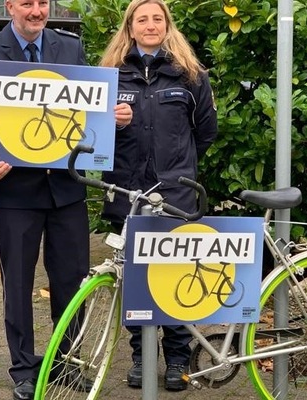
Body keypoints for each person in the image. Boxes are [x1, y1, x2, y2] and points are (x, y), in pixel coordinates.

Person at [0, 1, 132, 399]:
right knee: (18, 286)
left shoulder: (69, 47)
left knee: (71, 283)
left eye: (42, 3)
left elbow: (86, 109)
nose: (37, 11)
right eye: (27, 3)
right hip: (14, 194)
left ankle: (66, 364)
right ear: (10, 7)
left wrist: (112, 117)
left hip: (66, 191)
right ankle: (23, 369)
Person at [98, 0, 218, 392]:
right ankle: (142, 356)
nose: (150, 25)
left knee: (174, 278)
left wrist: (178, 167)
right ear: (130, 28)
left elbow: (205, 133)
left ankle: (178, 358)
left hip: (175, 196)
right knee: (137, 280)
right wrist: (109, 123)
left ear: (167, 26)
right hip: (127, 192)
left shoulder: (191, 76)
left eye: (157, 19)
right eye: (142, 19)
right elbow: (89, 134)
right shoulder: (109, 76)